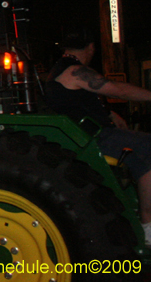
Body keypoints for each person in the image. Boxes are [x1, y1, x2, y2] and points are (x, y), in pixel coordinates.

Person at [45, 27, 151, 243]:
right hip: (94, 140)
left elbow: (75, 103)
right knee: (148, 144)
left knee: (139, 151)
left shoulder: (58, 70)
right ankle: (148, 225)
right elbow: (117, 90)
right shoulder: (74, 70)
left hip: (88, 135)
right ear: (91, 48)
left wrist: (109, 113)